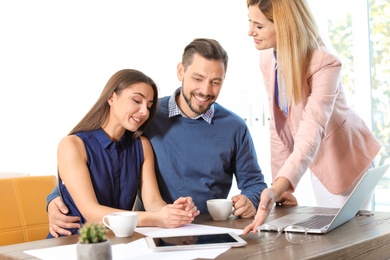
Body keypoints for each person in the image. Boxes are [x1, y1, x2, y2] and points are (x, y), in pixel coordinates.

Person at [46, 38, 268, 237]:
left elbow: (255, 183)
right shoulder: (150, 117)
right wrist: (55, 199)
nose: (205, 89)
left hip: (200, 228)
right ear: (181, 71)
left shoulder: (233, 126)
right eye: (198, 78)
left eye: (216, 82)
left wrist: (251, 199)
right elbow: (85, 177)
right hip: (148, 232)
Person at [243, 0, 381, 235]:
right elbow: (279, 127)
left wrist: (278, 186)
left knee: (340, 241)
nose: (250, 32)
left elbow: (311, 128)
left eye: (259, 25)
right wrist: (281, 185)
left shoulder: (324, 62)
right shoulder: (268, 59)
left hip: (345, 160)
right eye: (250, 22)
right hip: (318, 158)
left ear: (284, 26)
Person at [46, 69, 199, 238]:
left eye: (148, 106)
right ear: (111, 97)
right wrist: (157, 218)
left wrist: (175, 212)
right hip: (73, 243)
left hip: (118, 242)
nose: (144, 112)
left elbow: (153, 202)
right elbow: (92, 213)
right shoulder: (72, 145)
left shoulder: (142, 146)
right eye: (136, 100)